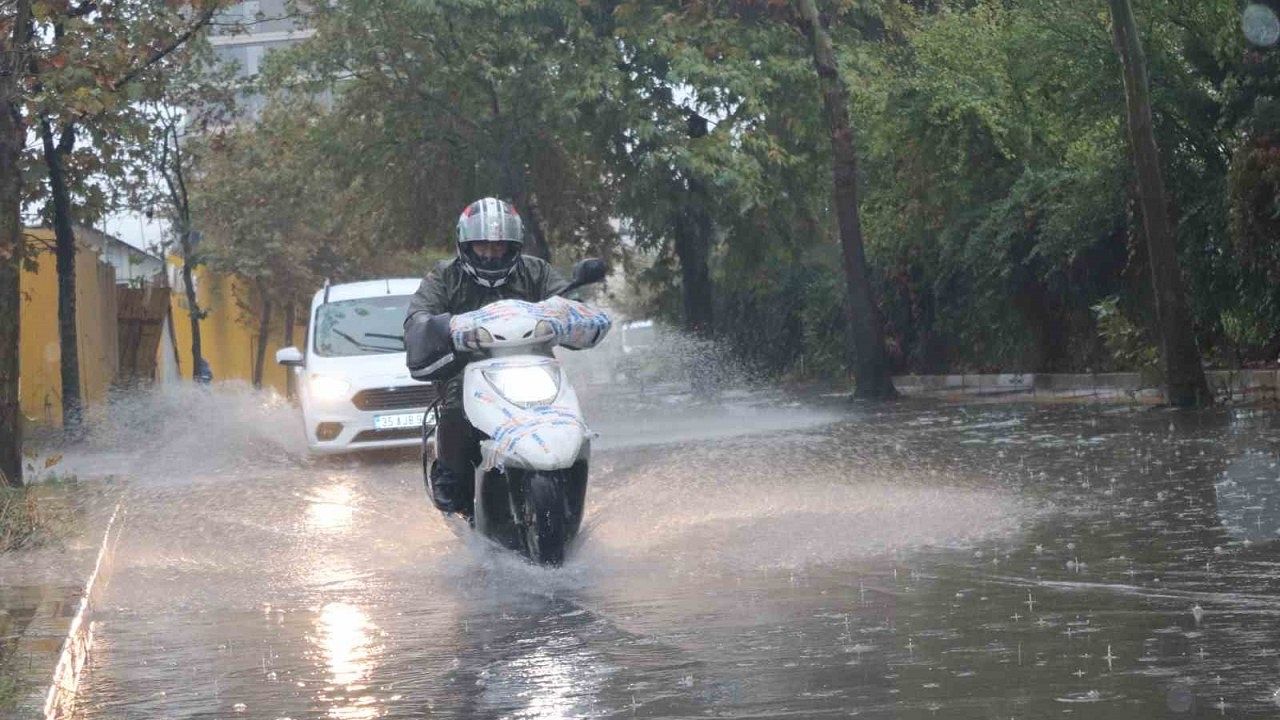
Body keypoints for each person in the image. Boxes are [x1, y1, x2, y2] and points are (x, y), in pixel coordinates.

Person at [404, 197, 568, 516]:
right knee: (455, 402)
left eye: (499, 246)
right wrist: (433, 327)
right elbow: (420, 315)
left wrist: (574, 311)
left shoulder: (536, 271)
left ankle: (569, 459)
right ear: (466, 245)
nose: (491, 254)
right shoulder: (444, 277)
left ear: (514, 246)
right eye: (482, 246)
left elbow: (567, 300)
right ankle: (451, 474)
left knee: (564, 400)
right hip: (467, 369)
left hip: (534, 364)